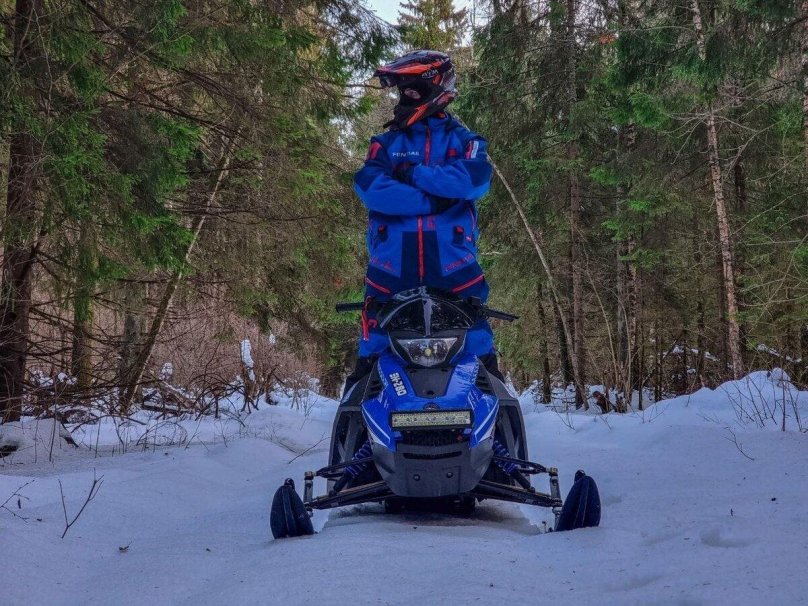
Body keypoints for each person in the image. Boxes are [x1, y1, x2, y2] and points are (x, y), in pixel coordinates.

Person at [346, 50, 499, 394]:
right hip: (391, 267)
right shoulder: (385, 143)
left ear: (436, 87)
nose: (405, 95)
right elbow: (371, 189)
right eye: (403, 90)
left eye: (413, 88)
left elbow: (473, 181)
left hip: (454, 266)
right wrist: (436, 200)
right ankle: (356, 415)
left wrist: (412, 174)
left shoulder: (466, 141)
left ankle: (497, 418)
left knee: (477, 343)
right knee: (373, 347)